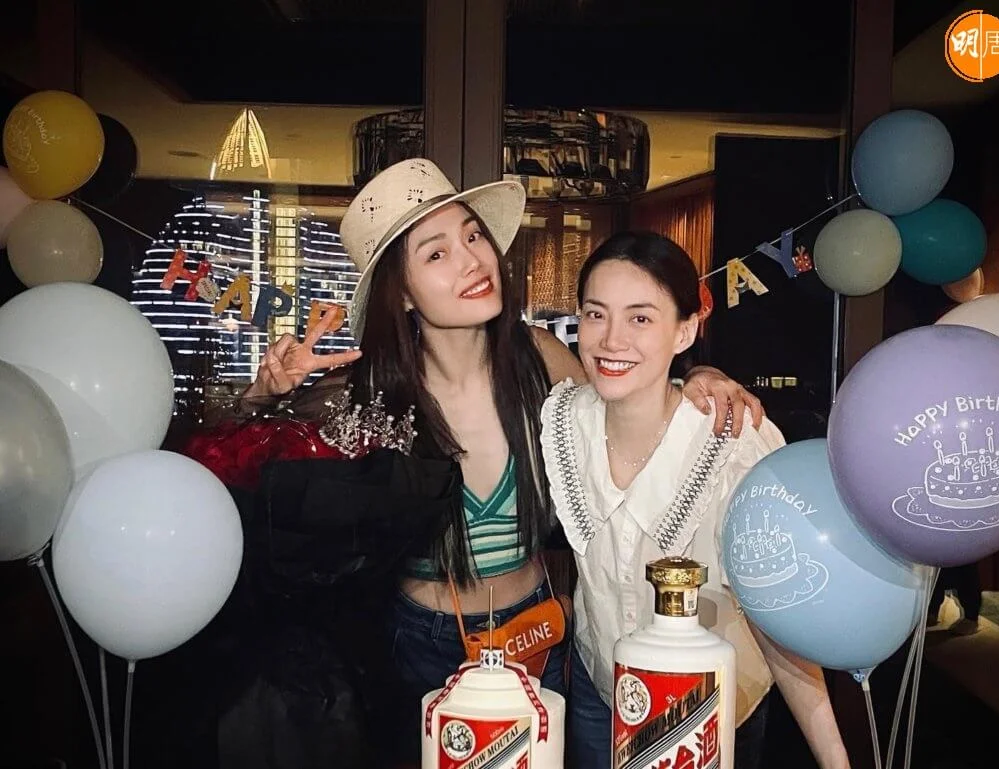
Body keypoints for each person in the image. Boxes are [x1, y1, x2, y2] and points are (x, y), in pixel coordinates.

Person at [185, 159, 764, 766]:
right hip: (421, 642)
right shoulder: (366, 393)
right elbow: (224, 474)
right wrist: (261, 397)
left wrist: (700, 373)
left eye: (472, 236)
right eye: (436, 253)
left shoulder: (539, 359)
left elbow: (629, 405)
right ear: (401, 291)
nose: (471, 261)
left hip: (538, 630)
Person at [540, 231, 850, 769]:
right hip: (602, 695)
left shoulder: (732, 440)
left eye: (640, 318)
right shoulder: (566, 420)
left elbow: (774, 611)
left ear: (685, 331)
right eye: (595, 314)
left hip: (709, 708)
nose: (611, 339)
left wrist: (835, 758)